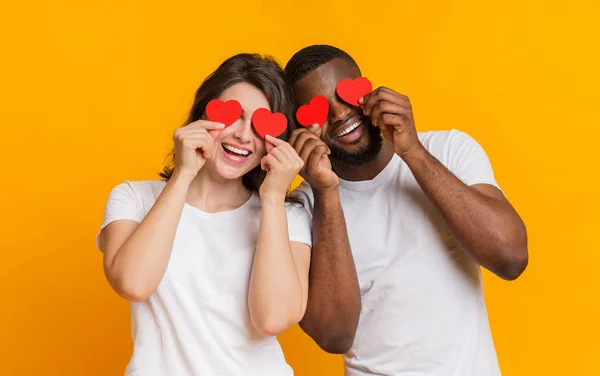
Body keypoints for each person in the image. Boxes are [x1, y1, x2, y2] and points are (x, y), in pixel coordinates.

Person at [284, 45, 529, 375]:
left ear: (369, 91)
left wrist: (412, 151)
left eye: (346, 94)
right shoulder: (302, 208)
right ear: (299, 131)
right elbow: (334, 335)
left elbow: (510, 257)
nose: (340, 114)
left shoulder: (449, 150)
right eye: (316, 111)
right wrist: (326, 192)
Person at [96, 53, 312, 376]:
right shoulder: (133, 198)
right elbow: (133, 283)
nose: (242, 134)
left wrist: (272, 197)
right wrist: (183, 175)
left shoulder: (287, 216)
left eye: (259, 125)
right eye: (233, 116)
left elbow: (272, 318)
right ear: (202, 115)